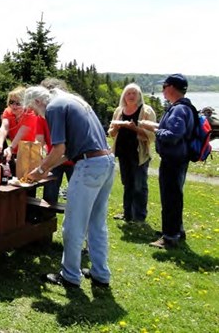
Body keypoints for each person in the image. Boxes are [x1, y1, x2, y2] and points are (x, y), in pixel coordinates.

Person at [24, 86, 115, 288]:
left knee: (73, 224)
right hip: (106, 162)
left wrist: (39, 170)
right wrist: (46, 168)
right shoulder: (72, 100)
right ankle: (101, 274)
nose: (38, 115)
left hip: (89, 165)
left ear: (38, 102)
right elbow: (67, 153)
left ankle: (70, 276)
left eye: (34, 110)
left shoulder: (54, 107)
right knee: (96, 222)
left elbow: (59, 148)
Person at [139, 74, 194, 249]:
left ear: (171, 88)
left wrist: (156, 131)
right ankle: (176, 230)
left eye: (164, 87)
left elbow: (173, 135)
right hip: (178, 159)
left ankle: (170, 237)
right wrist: (155, 126)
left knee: (170, 198)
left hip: (173, 160)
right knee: (175, 196)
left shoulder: (178, 109)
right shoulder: (183, 107)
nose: (163, 90)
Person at [108, 83, 156, 223]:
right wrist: (117, 127)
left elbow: (152, 135)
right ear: (124, 96)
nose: (131, 96)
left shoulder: (146, 111)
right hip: (123, 153)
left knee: (139, 185)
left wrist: (135, 129)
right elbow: (111, 132)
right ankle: (127, 213)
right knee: (127, 183)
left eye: (134, 93)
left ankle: (139, 216)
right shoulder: (119, 110)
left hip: (139, 153)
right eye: (128, 93)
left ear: (139, 95)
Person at [39, 78, 74, 204]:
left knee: (77, 195)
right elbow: (39, 140)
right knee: (49, 194)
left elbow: (62, 147)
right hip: (54, 158)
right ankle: (48, 220)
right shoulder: (41, 115)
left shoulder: (60, 110)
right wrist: (41, 154)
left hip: (74, 160)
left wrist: (42, 168)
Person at [0, 86, 39, 175]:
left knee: (26, 180)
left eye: (18, 103)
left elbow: (21, 132)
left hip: (29, 151)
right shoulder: (8, 111)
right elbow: (4, 127)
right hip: (15, 151)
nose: (14, 106)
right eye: (11, 102)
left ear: (25, 103)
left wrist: (10, 147)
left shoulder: (31, 113)